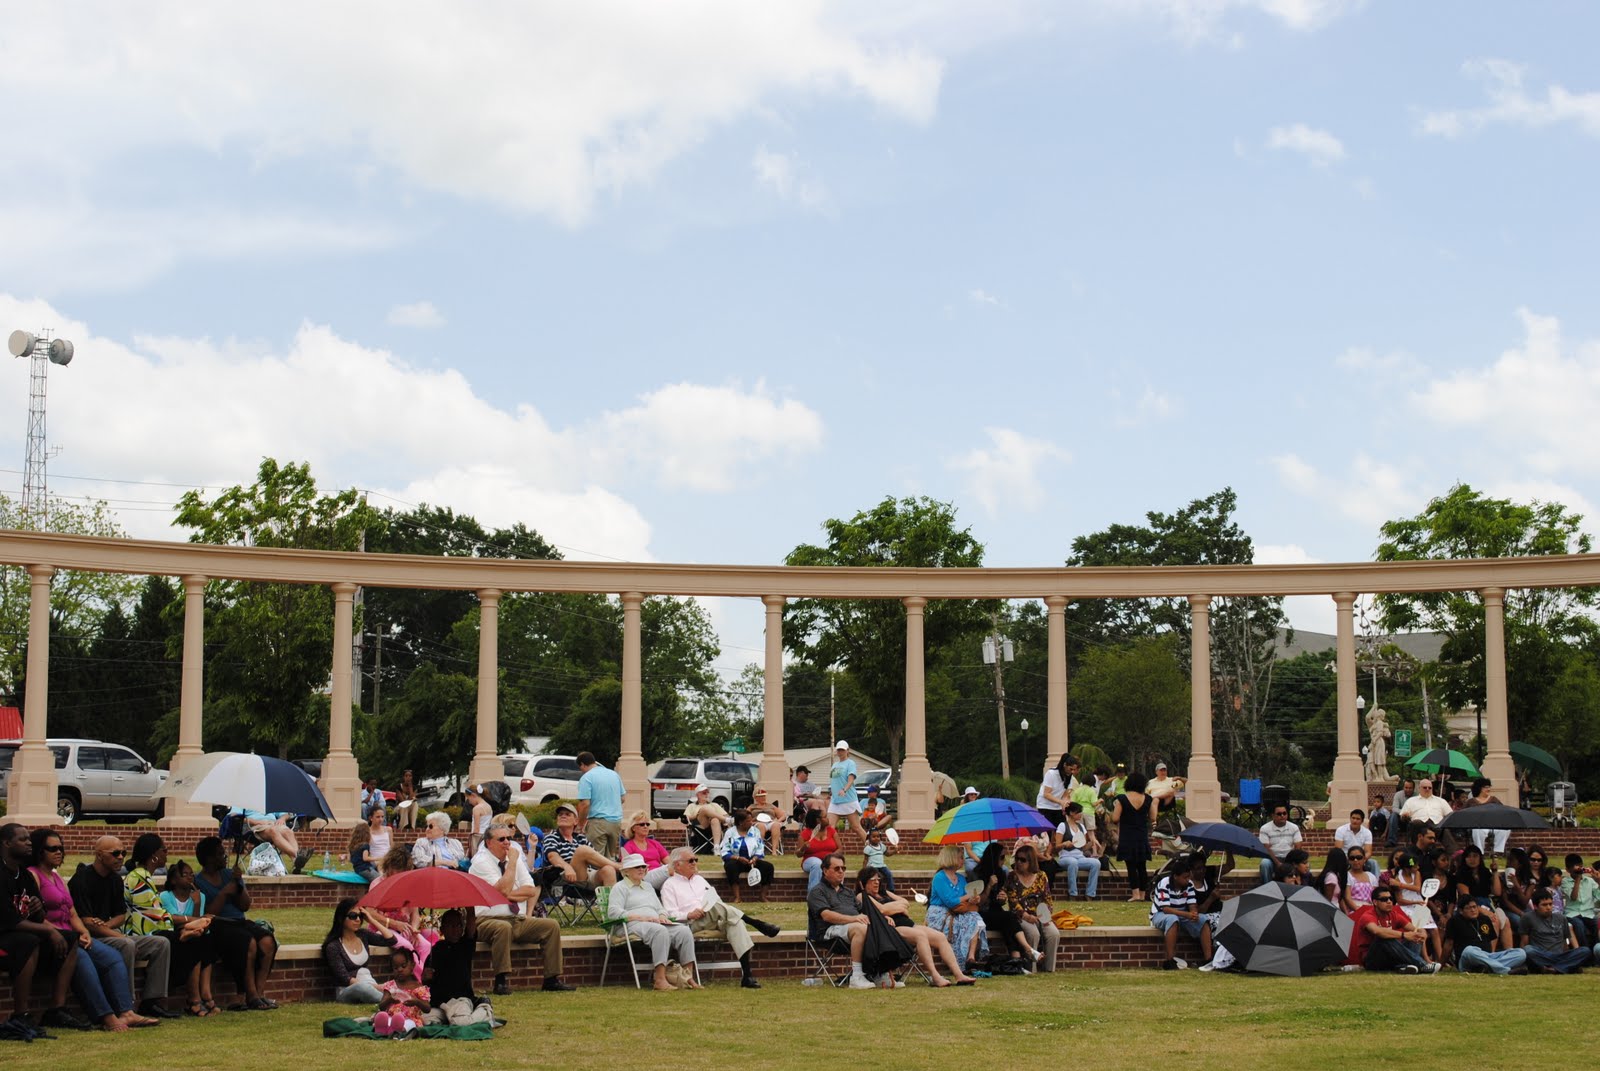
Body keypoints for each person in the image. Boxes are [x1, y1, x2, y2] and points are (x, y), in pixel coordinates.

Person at [28, 828, 149, 1031]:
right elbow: (35, 915)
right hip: (52, 938)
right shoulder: (34, 876)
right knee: (83, 960)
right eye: (52, 848)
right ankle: (105, 1016)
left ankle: (126, 1011)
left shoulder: (57, 879)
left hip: (73, 935)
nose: (59, 852)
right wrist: (63, 933)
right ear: (40, 851)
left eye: (61, 848)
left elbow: (72, 913)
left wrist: (83, 932)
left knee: (112, 957)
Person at [68, 833, 175, 1019]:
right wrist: (116, 934)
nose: (120, 858)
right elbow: (86, 923)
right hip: (88, 937)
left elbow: (120, 915)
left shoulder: (115, 880)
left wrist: (107, 925)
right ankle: (126, 1005)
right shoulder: (81, 879)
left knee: (161, 943)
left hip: (107, 932)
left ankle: (151, 1001)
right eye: (115, 853)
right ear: (99, 855)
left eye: (123, 853)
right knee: (127, 944)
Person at [470, 820, 574, 994]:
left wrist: (505, 894)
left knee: (551, 926)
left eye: (509, 839)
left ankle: (551, 979)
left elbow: (530, 890)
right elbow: (503, 889)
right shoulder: (481, 862)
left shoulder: (514, 859)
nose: (507, 843)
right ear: (489, 843)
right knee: (502, 928)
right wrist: (510, 867)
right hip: (486, 920)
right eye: (501, 839)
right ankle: (501, 981)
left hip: (516, 919)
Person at [660, 847, 779, 989]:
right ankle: (757, 923)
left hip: (712, 918)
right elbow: (670, 914)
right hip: (689, 923)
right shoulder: (669, 885)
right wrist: (689, 914)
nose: (694, 863)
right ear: (677, 865)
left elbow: (717, 901)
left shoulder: (699, 880)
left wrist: (708, 907)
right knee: (721, 910)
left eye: (696, 860)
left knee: (736, 923)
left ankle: (747, 976)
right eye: (690, 860)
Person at [124, 834, 214, 1019]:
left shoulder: (144, 876)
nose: (167, 853)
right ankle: (166, 1001)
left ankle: (192, 998)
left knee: (200, 940)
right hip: (139, 932)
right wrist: (190, 922)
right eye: (164, 850)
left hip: (153, 930)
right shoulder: (139, 878)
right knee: (189, 942)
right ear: (154, 855)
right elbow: (149, 915)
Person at [193, 835, 279, 1011]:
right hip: (218, 924)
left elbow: (245, 905)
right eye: (219, 854)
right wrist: (224, 893)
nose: (224, 856)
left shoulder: (229, 875)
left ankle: (260, 993)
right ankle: (251, 995)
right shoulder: (198, 881)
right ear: (209, 858)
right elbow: (207, 913)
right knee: (248, 942)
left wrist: (238, 884)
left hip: (239, 921)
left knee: (267, 941)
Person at [857, 868, 977, 987]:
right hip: (892, 929)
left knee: (940, 937)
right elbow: (882, 909)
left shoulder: (885, 893)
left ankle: (959, 975)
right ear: (864, 882)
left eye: (878, 879)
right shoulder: (862, 896)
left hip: (909, 924)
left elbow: (905, 902)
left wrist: (894, 908)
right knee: (920, 936)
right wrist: (898, 908)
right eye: (872, 879)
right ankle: (935, 976)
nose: (877, 882)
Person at [608, 853, 698, 990]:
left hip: (654, 923)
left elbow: (660, 908)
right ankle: (660, 979)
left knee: (684, 931)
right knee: (660, 931)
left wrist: (662, 915)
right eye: (637, 867)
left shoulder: (648, 887)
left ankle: (687, 977)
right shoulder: (620, 888)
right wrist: (640, 917)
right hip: (629, 925)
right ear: (626, 871)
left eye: (643, 866)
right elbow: (613, 913)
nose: (641, 869)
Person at [157, 860, 219, 1016]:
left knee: (207, 941)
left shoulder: (200, 896)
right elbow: (172, 919)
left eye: (192, 874)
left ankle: (206, 995)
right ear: (173, 880)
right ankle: (195, 1000)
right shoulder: (165, 896)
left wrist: (197, 903)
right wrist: (194, 921)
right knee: (196, 942)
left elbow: (199, 923)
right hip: (172, 934)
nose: (190, 877)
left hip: (194, 933)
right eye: (185, 874)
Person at [806, 852, 876, 989]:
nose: (841, 872)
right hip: (828, 932)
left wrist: (882, 919)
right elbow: (826, 916)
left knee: (881, 927)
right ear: (825, 871)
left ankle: (880, 973)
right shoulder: (817, 892)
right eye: (836, 868)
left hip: (850, 930)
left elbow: (864, 911)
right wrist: (854, 919)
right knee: (860, 928)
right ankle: (856, 977)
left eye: (843, 868)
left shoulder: (848, 893)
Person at [421, 909, 493, 1027]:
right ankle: (453, 1018)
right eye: (450, 925)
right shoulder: (436, 950)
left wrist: (470, 909)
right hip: (440, 1003)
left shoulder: (465, 945)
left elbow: (471, 930)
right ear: (442, 929)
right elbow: (425, 982)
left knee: (461, 1023)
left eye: (458, 925)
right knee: (424, 1020)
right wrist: (425, 977)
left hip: (460, 1000)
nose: (455, 929)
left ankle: (484, 1008)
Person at [973, 843, 1040, 969]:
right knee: (1008, 918)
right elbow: (978, 903)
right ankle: (1026, 950)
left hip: (996, 911)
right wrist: (989, 886)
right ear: (994, 857)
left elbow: (1001, 902)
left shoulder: (1000, 873)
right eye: (1002, 857)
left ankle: (1016, 960)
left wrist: (1002, 899)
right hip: (981, 913)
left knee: (1009, 922)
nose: (1004, 860)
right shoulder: (977, 873)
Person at [321, 897, 397, 1004]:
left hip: (370, 986)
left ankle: (394, 1000)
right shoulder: (333, 946)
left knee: (395, 986)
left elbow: (391, 940)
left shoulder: (363, 935)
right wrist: (376, 987)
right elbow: (344, 978)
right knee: (362, 987)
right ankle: (391, 1003)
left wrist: (371, 919)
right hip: (347, 990)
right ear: (341, 918)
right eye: (353, 916)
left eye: (360, 916)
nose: (357, 919)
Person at [925, 845, 987, 974]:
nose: (963, 860)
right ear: (952, 858)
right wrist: (967, 896)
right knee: (962, 924)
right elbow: (950, 901)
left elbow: (964, 899)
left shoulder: (961, 878)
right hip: (940, 913)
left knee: (975, 919)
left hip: (958, 911)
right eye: (960, 857)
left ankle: (971, 958)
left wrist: (973, 900)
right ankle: (958, 962)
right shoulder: (939, 877)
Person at [1350, 887, 1438, 973]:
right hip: (1372, 959)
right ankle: (1422, 965)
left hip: (1390, 957)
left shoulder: (1394, 914)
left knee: (1415, 936)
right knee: (1384, 937)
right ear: (1375, 902)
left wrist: (1421, 932)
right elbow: (1376, 931)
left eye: (1391, 898)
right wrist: (1404, 935)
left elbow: (1416, 929)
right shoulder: (1368, 916)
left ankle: (1404, 966)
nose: (1389, 902)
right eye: (1384, 899)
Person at [1005, 844, 1059, 972]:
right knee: (1033, 933)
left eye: (1022, 860)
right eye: (1017, 859)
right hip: (1021, 916)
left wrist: (1046, 916)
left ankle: (1049, 969)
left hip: (1040, 914)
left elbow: (1047, 898)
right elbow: (1013, 900)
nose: (1018, 862)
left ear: (1031, 861)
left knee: (1053, 933)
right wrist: (1026, 916)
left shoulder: (1041, 876)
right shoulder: (1012, 876)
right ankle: (1031, 968)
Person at [540, 802, 618, 890]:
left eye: (567, 814)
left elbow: (594, 858)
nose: (563, 816)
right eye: (560, 814)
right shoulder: (551, 837)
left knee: (609, 870)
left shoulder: (581, 838)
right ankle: (619, 867)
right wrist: (567, 867)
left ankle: (611, 903)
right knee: (582, 850)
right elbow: (552, 856)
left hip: (586, 874)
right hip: (565, 875)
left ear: (576, 821)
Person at [1150, 862, 1211, 970]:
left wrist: (1194, 913)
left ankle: (1209, 960)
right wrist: (1187, 914)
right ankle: (1170, 961)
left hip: (1182, 914)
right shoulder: (1164, 883)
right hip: (1160, 914)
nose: (1188, 880)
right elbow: (1166, 909)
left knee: (1203, 919)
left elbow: (1192, 904)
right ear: (1175, 876)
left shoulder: (1189, 885)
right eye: (1185, 877)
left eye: (1189, 876)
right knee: (1173, 919)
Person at [1445, 895, 1528, 974]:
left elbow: (1491, 943)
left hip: (1487, 956)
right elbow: (1448, 945)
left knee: (1520, 953)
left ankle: (1487, 967)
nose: (1473, 910)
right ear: (1461, 911)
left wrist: (1489, 956)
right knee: (1469, 950)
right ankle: (1505, 970)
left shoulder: (1484, 919)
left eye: (1474, 907)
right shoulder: (1454, 921)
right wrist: (1440, 964)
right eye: (1468, 908)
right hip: (1468, 959)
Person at [1517, 887, 1592, 973]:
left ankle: (1555, 969)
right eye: (1544, 905)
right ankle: (1567, 967)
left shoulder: (1561, 918)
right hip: (1542, 955)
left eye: (1550, 904)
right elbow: (1524, 942)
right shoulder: (1527, 918)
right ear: (1535, 906)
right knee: (1528, 950)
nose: (1548, 907)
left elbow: (1565, 943)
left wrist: (1567, 955)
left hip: (1560, 955)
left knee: (1585, 951)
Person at [1111, 772, 1156, 901]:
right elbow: (1153, 817)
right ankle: (1142, 894)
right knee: (1142, 866)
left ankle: (1135, 894)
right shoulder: (1148, 799)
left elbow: (1115, 818)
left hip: (1127, 836)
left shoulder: (1122, 799)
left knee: (1131, 866)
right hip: (1141, 835)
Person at [575, 751, 626, 859]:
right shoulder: (614, 774)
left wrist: (580, 825)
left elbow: (585, 804)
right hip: (616, 822)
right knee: (610, 859)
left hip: (598, 822)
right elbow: (622, 798)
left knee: (595, 859)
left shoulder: (587, 777)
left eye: (581, 768)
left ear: (583, 764)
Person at [373, 946, 431, 1037]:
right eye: (396, 968)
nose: (400, 970)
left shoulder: (419, 987)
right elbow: (381, 1006)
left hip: (410, 1019)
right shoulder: (390, 985)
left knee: (409, 1024)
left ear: (412, 965)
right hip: (391, 1017)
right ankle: (382, 1028)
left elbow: (427, 1008)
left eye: (403, 966)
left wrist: (417, 1001)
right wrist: (389, 999)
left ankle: (397, 1029)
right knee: (386, 1018)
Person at [719, 809, 775, 902]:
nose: (751, 823)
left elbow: (760, 848)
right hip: (736, 860)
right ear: (741, 822)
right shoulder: (730, 832)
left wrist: (755, 858)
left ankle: (763, 896)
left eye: (752, 820)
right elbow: (724, 851)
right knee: (730, 866)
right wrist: (738, 858)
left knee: (768, 867)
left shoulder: (755, 831)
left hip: (752, 861)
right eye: (748, 821)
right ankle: (737, 897)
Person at [1055, 801, 1103, 900]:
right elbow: (1056, 847)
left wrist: (1091, 844)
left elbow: (1083, 847)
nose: (1081, 814)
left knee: (1096, 863)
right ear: (1072, 813)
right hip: (1066, 857)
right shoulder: (1063, 826)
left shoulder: (1081, 827)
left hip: (1079, 857)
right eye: (1078, 812)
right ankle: (1073, 893)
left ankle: (1090, 893)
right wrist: (1064, 844)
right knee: (1072, 863)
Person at [827, 741, 867, 842]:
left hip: (848, 799)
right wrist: (831, 792)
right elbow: (834, 781)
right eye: (839, 750)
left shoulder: (850, 763)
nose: (840, 752)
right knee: (830, 828)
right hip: (835, 801)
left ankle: (873, 848)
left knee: (856, 827)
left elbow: (851, 780)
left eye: (842, 750)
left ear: (847, 751)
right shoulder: (835, 764)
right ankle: (828, 850)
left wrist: (844, 789)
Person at [1256, 804, 1303, 885]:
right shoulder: (1265, 828)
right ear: (1273, 816)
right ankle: (1267, 889)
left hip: (1289, 859)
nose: (1282, 816)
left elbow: (1298, 846)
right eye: (1279, 814)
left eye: (1284, 813)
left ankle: (1301, 889)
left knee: (1304, 864)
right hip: (1272, 859)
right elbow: (1266, 849)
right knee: (1265, 863)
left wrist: (1290, 862)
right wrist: (1278, 863)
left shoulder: (1294, 827)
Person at [1036, 754, 1078, 845]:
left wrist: (1065, 803)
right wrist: (1060, 802)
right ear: (1065, 765)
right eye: (1071, 769)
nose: (1072, 772)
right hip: (1045, 806)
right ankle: (1045, 851)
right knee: (1046, 832)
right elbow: (1046, 794)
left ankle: (1061, 849)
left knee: (1061, 829)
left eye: (1074, 770)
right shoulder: (1051, 773)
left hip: (1057, 807)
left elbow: (1066, 795)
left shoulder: (1070, 778)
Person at [1560, 854, 1599, 948]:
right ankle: (1585, 951)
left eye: (1580, 867)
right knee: (1579, 925)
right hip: (1572, 913)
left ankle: (1596, 950)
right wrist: (1577, 879)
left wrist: (1598, 881)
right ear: (1568, 870)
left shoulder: (1589, 881)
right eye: (1575, 870)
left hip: (1588, 913)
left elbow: (1599, 897)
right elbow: (1573, 897)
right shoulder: (1565, 882)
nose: (1578, 871)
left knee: (1596, 924)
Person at [798, 808, 839, 893]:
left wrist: (831, 857)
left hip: (829, 860)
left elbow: (840, 848)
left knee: (836, 865)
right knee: (817, 864)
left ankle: (836, 894)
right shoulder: (805, 833)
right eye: (825, 817)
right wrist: (803, 848)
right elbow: (798, 854)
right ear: (818, 820)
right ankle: (814, 895)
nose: (828, 819)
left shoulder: (831, 831)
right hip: (810, 861)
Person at [619, 812, 671, 878]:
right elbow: (626, 867)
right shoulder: (629, 846)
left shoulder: (654, 843)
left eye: (647, 824)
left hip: (659, 874)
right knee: (669, 869)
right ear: (633, 828)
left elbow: (669, 861)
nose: (645, 826)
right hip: (643, 876)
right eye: (642, 824)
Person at [1318, 847, 1354, 914]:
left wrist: (1346, 914)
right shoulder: (1331, 877)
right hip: (1332, 912)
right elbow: (1328, 901)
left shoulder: (1336, 875)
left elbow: (1339, 899)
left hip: (1337, 910)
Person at [862, 827, 895, 891]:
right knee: (878, 877)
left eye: (878, 836)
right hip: (873, 867)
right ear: (869, 838)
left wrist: (895, 851)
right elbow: (865, 860)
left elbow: (887, 854)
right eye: (873, 837)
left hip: (882, 866)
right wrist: (864, 869)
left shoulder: (882, 846)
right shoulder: (868, 848)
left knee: (888, 874)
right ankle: (879, 890)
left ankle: (891, 889)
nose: (876, 838)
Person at [465, 785, 493, 855]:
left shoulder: (476, 809)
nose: (469, 802)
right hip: (487, 836)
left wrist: (471, 843)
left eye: (469, 799)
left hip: (478, 838)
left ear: (473, 795)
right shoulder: (489, 806)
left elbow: (476, 828)